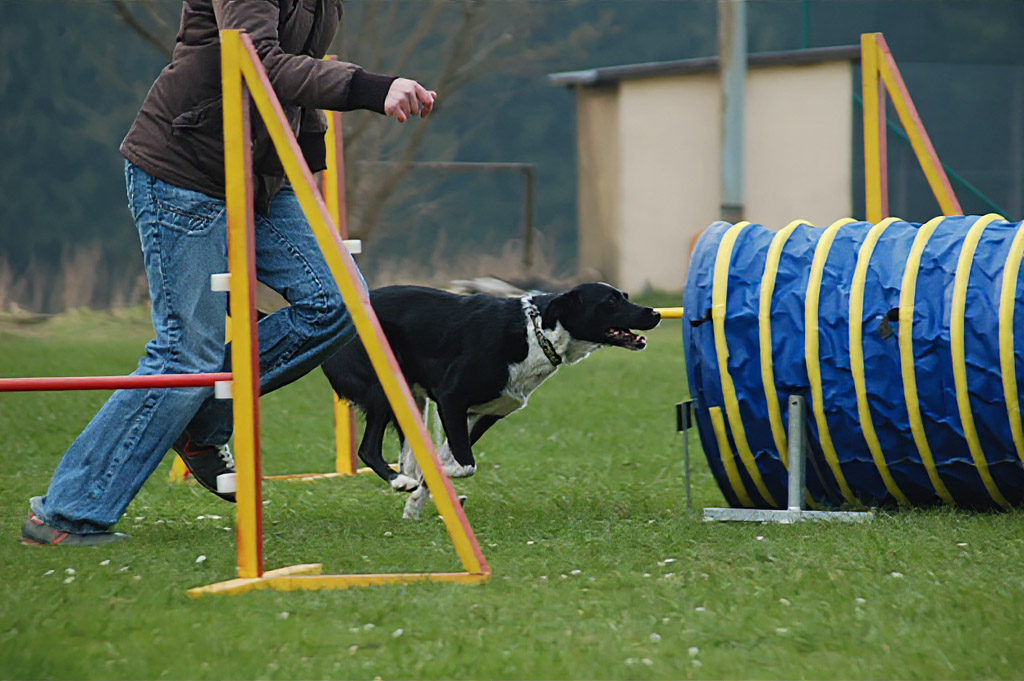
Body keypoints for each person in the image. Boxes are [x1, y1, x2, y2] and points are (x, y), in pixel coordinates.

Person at [21, 0, 435, 546]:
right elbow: (258, 61)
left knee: (340, 301)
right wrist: (366, 87)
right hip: (184, 166)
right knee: (185, 352)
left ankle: (200, 418)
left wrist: (310, 179)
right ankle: (65, 515)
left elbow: (298, 81)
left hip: (263, 176)